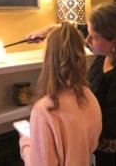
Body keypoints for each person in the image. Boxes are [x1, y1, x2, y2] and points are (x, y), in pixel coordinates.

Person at [26, 1, 116, 166]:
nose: (87, 39)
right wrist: (50, 30)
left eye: (94, 37)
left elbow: (108, 124)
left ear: (114, 40)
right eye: (89, 33)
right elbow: (80, 30)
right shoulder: (104, 53)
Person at [18, 22, 102, 166]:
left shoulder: (43, 110)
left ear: (48, 59)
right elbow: (93, 144)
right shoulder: (89, 97)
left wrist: (25, 143)